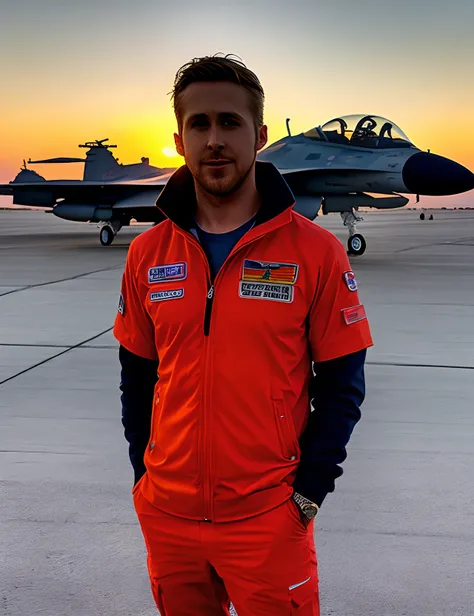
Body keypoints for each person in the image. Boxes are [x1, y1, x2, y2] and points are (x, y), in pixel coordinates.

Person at [114, 54, 373, 616]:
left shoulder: (315, 251)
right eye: (199, 124)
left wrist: (307, 494)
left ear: (258, 135)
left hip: (267, 520)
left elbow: (342, 383)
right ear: (179, 140)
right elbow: (136, 374)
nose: (214, 139)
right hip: (168, 518)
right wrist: (144, 477)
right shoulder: (147, 253)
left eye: (229, 123)